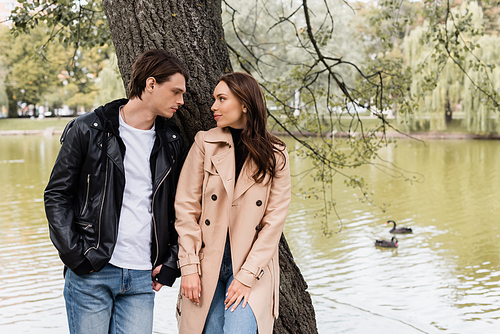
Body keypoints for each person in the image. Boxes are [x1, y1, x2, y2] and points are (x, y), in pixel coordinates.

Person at [44, 49, 188, 334]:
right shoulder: (88, 129)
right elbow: (57, 194)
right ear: (150, 84)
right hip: (93, 270)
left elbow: (182, 208)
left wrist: (171, 262)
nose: (181, 101)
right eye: (175, 92)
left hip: (142, 278)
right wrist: (75, 256)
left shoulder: (172, 143)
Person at [174, 72, 291, 334]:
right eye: (214, 99)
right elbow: (186, 208)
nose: (213, 106)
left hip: (252, 265)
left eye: (221, 99)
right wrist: (190, 267)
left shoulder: (275, 155)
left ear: (245, 104)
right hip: (206, 263)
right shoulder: (205, 143)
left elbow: (274, 223)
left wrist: (246, 276)